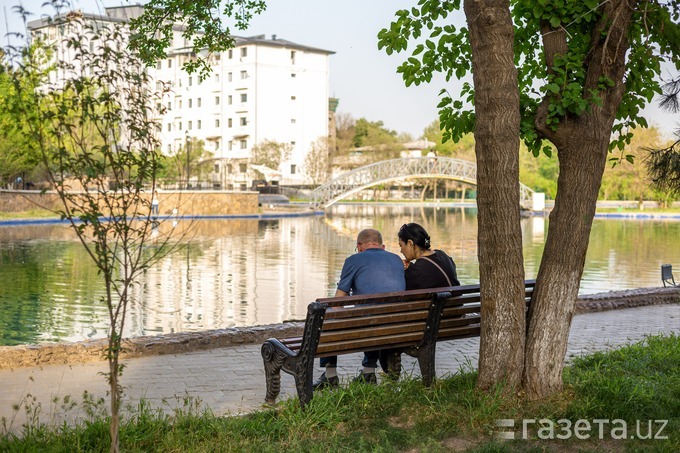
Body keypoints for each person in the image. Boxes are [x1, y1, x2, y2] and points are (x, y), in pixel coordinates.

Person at [313, 228, 406, 390]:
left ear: (360, 246)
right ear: (382, 247)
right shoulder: (396, 259)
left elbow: (337, 302)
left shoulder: (353, 260)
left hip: (368, 324)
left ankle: (330, 375)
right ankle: (368, 371)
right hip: (397, 325)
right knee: (373, 313)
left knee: (327, 316)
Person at [379, 222, 460, 377]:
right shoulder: (443, 256)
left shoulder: (416, 272)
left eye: (401, 245)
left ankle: (389, 372)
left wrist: (406, 271)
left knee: (387, 326)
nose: (400, 250)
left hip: (432, 326)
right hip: (454, 319)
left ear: (410, 243)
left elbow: (404, 298)